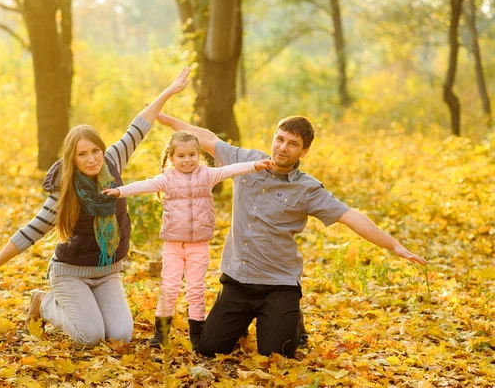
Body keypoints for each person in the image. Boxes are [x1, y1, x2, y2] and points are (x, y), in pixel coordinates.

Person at [155, 112, 428, 358]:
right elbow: (207, 139)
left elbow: (350, 216)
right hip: (238, 280)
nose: (283, 147)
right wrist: (167, 119)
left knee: (277, 353)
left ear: (304, 151)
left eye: (293, 144)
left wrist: (394, 246)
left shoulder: (308, 189)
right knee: (210, 348)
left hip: (278, 284)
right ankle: (246, 318)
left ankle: (292, 316)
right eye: (280, 139)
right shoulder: (247, 160)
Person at [0, 67, 192, 346]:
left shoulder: (113, 161)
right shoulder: (63, 193)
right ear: (73, 158)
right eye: (83, 154)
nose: (92, 159)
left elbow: (139, 126)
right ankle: (43, 303)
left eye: (95, 151)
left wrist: (168, 91)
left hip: (107, 272)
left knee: (121, 336)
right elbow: (29, 232)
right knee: (88, 337)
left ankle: (88, 306)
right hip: (71, 273)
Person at [103, 131, 272, 350]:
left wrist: (255, 165)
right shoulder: (167, 179)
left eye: (192, 154)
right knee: (170, 287)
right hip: (173, 246)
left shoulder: (207, 175)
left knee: (195, 289)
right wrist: (118, 191)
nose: (187, 160)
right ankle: (160, 333)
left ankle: (197, 335)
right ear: (172, 158)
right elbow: (142, 186)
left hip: (198, 245)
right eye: (181, 156)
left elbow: (229, 170)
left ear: (199, 155)